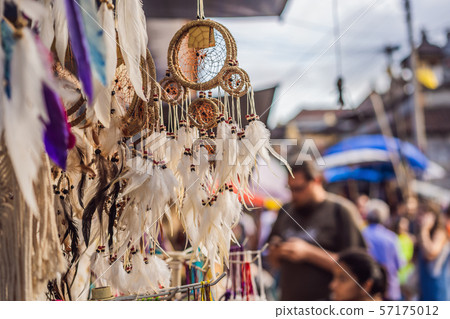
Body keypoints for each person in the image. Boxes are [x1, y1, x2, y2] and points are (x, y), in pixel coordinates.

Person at [267, 159, 366, 300]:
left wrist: (308, 253)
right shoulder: (286, 210)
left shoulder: (340, 211)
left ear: (317, 180)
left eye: (299, 188)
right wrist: (276, 252)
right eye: (290, 188)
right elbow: (272, 260)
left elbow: (356, 268)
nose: (294, 195)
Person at [362, 199, 403, 301]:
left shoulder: (362, 234)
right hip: (390, 290)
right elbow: (399, 264)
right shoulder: (391, 237)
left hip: (368, 290)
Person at [417, 203, 449, 301]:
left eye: (423, 214)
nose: (419, 217)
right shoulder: (426, 234)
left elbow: (431, 253)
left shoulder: (440, 233)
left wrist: (424, 229)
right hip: (424, 289)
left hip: (437, 291)